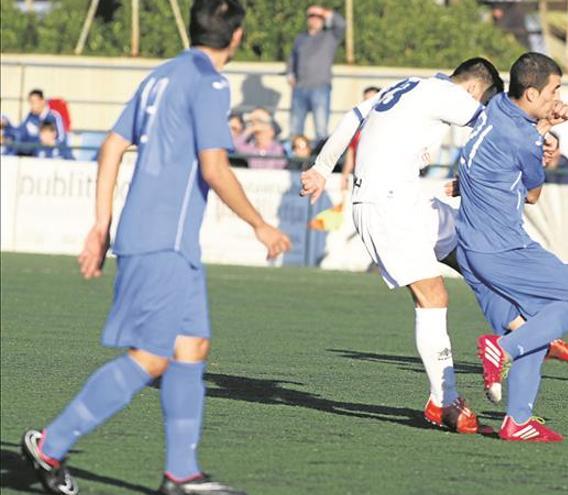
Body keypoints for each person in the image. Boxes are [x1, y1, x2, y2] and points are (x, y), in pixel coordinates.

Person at [19, 2, 292, 494]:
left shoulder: (159, 76)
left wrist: (100, 226)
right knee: (151, 357)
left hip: (163, 240)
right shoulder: (209, 82)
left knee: (192, 347)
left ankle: (181, 475)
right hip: (162, 241)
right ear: (237, 36)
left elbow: (109, 146)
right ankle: (51, 445)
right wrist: (261, 225)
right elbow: (214, 167)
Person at [301, 57, 568, 434]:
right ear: (474, 90)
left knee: (472, 248)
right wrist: (543, 126)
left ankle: (524, 331)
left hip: (407, 199)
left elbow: (352, 117)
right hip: (385, 207)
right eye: (483, 99)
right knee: (433, 297)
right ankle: (445, 399)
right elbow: (499, 124)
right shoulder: (446, 94)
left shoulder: (408, 83)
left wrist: (321, 168)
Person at [458, 52, 568, 443]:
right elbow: (533, 193)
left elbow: (517, 141)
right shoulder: (522, 139)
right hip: (504, 248)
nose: (558, 97)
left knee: (539, 324)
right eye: (554, 90)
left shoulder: (497, 105)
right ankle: (501, 349)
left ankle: (517, 420)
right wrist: (545, 143)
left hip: (472, 242)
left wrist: (543, 123)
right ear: (532, 92)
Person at [286, 5, 346, 140]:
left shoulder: (330, 36)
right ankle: (295, 160)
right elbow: (292, 58)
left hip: (320, 88)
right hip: (300, 88)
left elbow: (341, 24)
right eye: (311, 16)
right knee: (295, 129)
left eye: (318, 17)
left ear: (323, 19)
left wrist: (324, 11)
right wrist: (290, 73)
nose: (314, 19)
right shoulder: (300, 38)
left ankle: (320, 160)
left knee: (321, 129)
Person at [340, 86, 381, 190]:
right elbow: (351, 153)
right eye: (365, 100)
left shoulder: (386, 126)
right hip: (360, 179)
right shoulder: (359, 127)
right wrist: (345, 175)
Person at [19, 89, 68, 155]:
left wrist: (53, 143)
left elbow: (62, 138)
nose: (32, 106)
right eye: (30, 103)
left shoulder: (55, 116)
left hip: (53, 153)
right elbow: (21, 132)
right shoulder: (30, 117)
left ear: (43, 101)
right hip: (34, 153)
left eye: (34, 102)